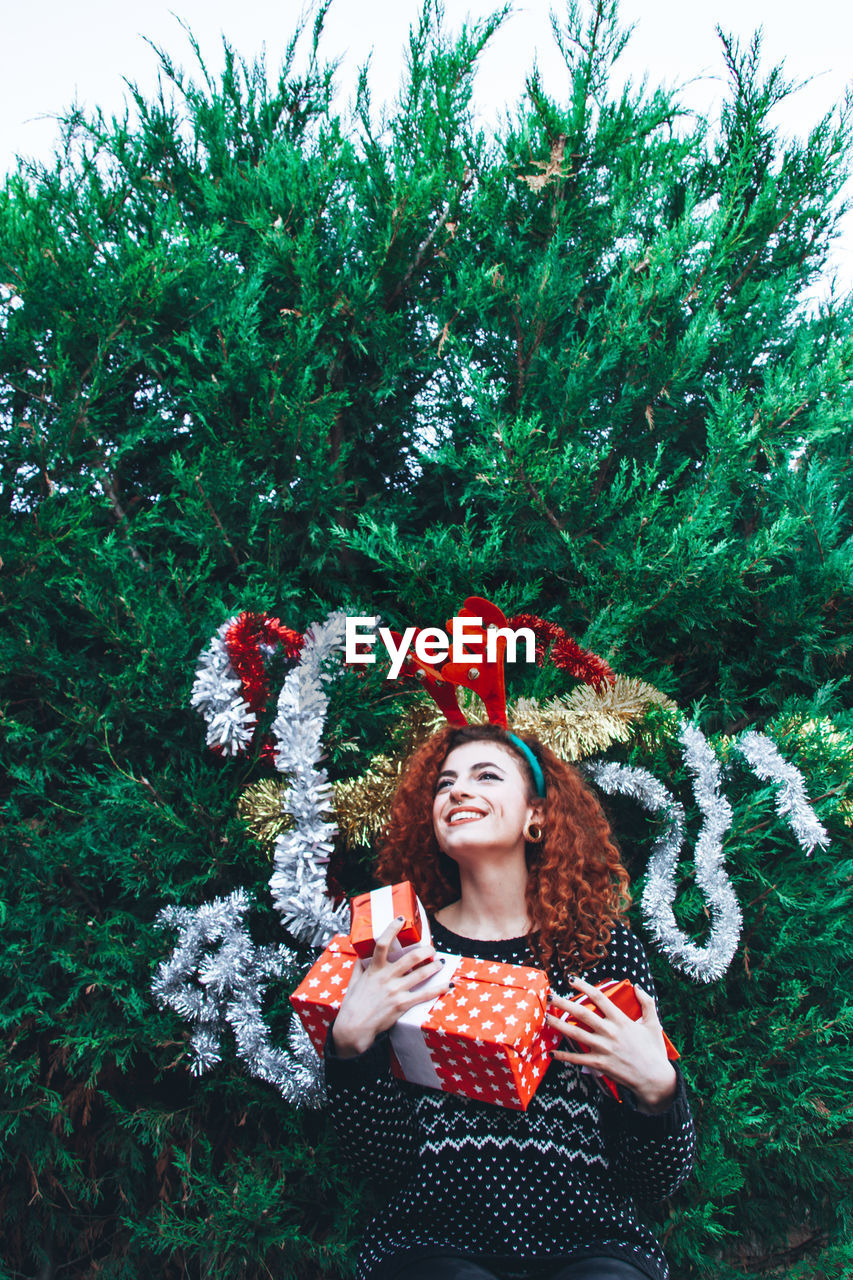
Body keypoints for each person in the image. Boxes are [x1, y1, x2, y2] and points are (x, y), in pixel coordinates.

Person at [325, 723, 695, 1280]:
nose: (457, 791)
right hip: (431, 1242)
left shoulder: (600, 948)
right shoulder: (399, 950)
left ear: (536, 817)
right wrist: (350, 1049)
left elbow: (653, 1182)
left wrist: (659, 1090)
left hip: (591, 1241)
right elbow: (381, 1165)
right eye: (445, 783)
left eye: (486, 776)